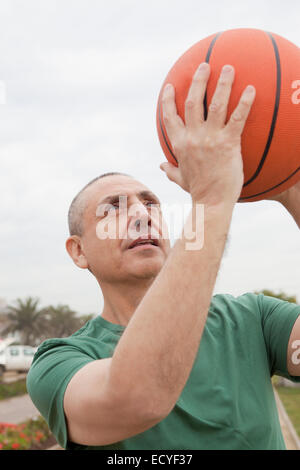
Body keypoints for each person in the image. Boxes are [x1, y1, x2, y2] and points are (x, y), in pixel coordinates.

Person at [27, 62, 300, 450]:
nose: (140, 214)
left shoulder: (252, 319)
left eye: (151, 203)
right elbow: (137, 398)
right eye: (114, 208)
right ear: (78, 250)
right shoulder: (61, 361)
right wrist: (210, 200)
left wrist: (290, 186)